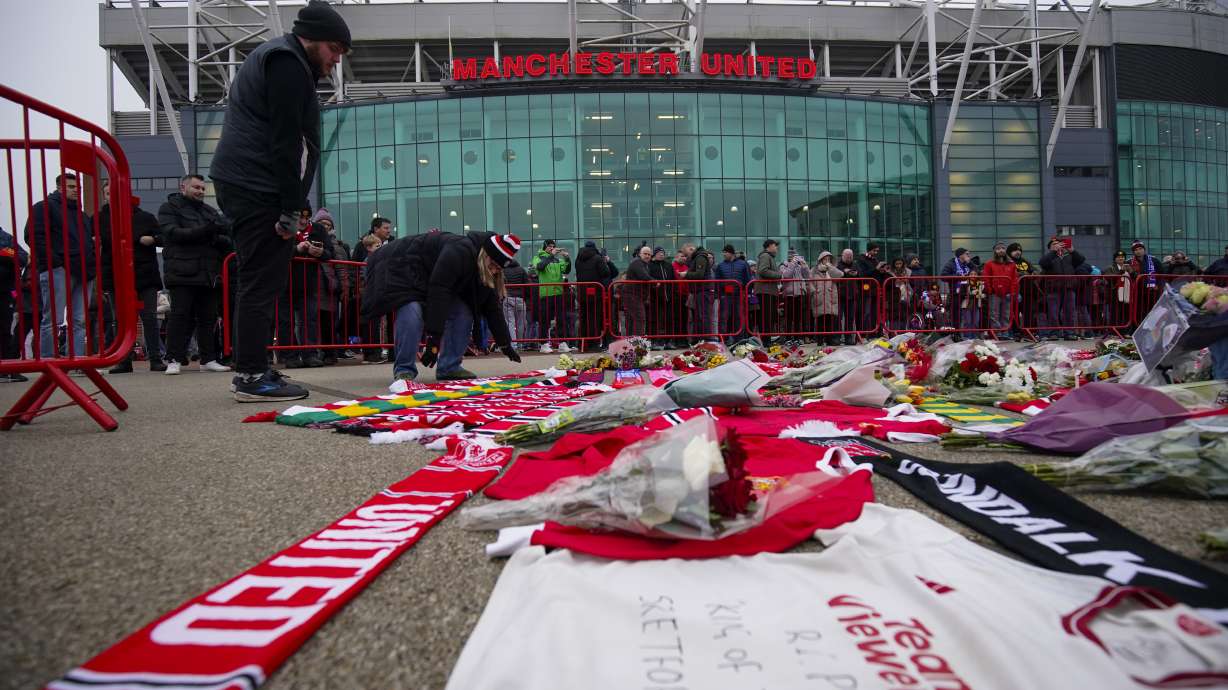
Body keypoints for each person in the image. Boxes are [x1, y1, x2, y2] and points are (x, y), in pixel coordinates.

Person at [210, 0, 350, 401]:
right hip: (257, 185)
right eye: (333, 50)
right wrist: (291, 207)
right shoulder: (287, 63)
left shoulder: (281, 58)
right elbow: (286, 139)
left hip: (251, 182)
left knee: (261, 280)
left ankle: (255, 367)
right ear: (312, 39)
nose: (335, 62)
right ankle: (252, 376)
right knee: (260, 281)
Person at [362, 231, 522, 383]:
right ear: (485, 255)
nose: (493, 270)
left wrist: (505, 344)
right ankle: (404, 369)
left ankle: (449, 367)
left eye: (498, 269)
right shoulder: (459, 251)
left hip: (433, 278)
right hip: (406, 268)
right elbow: (439, 292)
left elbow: (492, 308)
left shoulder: (486, 270)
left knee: (464, 312)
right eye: (493, 265)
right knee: (411, 312)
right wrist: (433, 340)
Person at [158, 174, 233, 375]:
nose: (200, 191)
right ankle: (173, 358)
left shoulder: (210, 211)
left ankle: (208, 358)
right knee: (179, 316)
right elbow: (173, 233)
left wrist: (212, 236)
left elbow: (227, 239)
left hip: (209, 273)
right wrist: (206, 233)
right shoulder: (169, 208)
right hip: (182, 272)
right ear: (183, 187)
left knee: (208, 317)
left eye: (202, 188)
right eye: (196, 187)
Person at [27, 174, 98, 361]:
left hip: (83, 270)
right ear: (59, 187)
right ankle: (50, 360)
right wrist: (54, 262)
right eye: (71, 186)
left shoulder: (81, 215)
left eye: (78, 187)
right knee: (53, 319)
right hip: (59, 268)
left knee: (79, 320)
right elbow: (33, 235)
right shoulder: (44, 207)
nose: (76, 190)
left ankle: (76, 360)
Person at [106, 193, 166, 373]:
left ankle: (155, 358)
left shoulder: (145, 218)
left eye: (113, 192)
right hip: (117, 276)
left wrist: (153, 239)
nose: (111, 197)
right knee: (121, 320)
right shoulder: (102, 219)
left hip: (144, 275)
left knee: (149, 317)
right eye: (108, 193)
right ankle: (124, 360)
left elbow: (163, 237)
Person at [276, 209, 334, 368]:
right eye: (300, 217)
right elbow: (275, 252)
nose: (303, 221)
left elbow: (330, 253)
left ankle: (310, 354)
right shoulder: (283, 227)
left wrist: (321, 252)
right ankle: (289, 356)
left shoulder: (318, 229)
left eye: (306, 218)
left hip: (309, 284)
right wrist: (297, 249)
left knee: (310, 320)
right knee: (285, 321)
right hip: (284, 283)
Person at [314, 209, 352, 364]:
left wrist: (344, 289)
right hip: (313, 288)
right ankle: (317, 352)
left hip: (329, 289)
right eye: (322, 223)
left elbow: (342, 270)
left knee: (329, 323)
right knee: (312, 323)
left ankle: (330, 353)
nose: (325, 226)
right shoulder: (308, 240)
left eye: (328, 224)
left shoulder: (336, 246)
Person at [353, 217, 393, 363]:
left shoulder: (392, 244)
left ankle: (383, 351)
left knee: (382, 322)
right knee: (371, 322)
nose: (389, 230)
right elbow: (358, 271)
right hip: (371, 292)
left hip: (384, 291)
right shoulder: (366, 256)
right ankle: (371, 353)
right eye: (385, 228)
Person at [1039, 237, 1086, 341]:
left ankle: (1069, 333)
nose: (1058, 245)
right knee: (1053, 313)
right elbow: (1042, 263)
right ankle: (1053, 333)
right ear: (1050, 247)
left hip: (1069, 288)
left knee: (1069, 312)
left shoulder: (1069, 256)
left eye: (1059, 244)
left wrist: (1072, 251)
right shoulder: (1049, 257)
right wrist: (1053, 252)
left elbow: (1082, 260)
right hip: (1053, 289)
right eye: (1054, 244)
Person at [574, 240, 617, 349]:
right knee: (595, 319)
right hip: (596, 293)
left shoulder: (578, 259)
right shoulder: (597, 258)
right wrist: (605, 262)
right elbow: (606, 273)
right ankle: (594, 343)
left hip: (582, 293)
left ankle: (583, 344)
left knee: (584, 319)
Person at [1, 224, 30, 381]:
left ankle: (7, 367)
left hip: (5, 291)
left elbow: (22, 257)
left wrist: (5, 254)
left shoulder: (6, 238)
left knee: (6, 330)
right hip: (13, 295)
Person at [532, 239, 572, 353]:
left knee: (561, 319)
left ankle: (562, 343)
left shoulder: (557, 260)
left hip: (558, 293)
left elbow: (567, 270)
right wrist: (551, 256)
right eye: (549, 246)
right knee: (544, 320)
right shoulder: (538, 258)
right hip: (545, 294)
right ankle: (544, 344)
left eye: (553, 246)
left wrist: (567, 258)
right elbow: (539, 267)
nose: (552, 248)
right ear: (544, 247)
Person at [714, 244, 752, 341]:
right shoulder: (720, 265)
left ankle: (738, 339)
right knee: (724, 317)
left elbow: (748, 279)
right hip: (725, 295)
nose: (724, 254)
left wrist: (747, 293)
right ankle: (723, 339)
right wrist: (718, 294)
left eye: (725, 252)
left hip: (739, 295)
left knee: (738, 317)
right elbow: (717, 281)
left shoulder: (743, 264)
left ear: (731, 253)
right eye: (723, 252)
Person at [681, 243, 715, 344]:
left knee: (704, 316)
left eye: (686, 254)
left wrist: (686, 274)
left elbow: (699, 274)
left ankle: (706, 340)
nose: (687, 257)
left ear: (691, 249)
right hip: (700, 291)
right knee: (700, 316)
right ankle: (702, 339)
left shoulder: (700, 257)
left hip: (703, 291)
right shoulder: (698, 257)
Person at [981, 241, 1016, 338]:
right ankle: (997, 333)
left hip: (1007, 293)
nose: (1001, 250)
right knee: (994, 314)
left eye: (1003, 248)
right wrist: (990, 290)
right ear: (995, 251)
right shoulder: (989, 264)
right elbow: (986, 278)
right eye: (998, 249)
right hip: (994, 294)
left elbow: (1014, 279)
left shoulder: (1011, 264)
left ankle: (1005, 332)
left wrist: (1012, 291)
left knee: (1006, 314)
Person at [940, 247, 975, 341]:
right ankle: (956, 334)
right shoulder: (951, 263)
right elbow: (943, 275)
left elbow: (977, 272)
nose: (969, 256)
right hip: (956, 293)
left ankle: (969, 335)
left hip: (969, 293)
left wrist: (970, 264)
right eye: (967, 254)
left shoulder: (969, 264)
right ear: (961, 255)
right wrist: (958, 277)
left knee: (969, 316)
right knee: (956, 315)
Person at [809, 251, 843, 345]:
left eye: (829, 259)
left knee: (830, 320)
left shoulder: (832, 270)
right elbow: (809, 282)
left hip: (830, 298)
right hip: (819, 297)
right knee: (820, 320)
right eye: (825, 259)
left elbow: (840, 275)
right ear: (821, 259)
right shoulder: (814, 270)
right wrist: (814, 291)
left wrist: (830, 267)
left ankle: (830, 340)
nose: (827, 261)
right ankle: (819, 340)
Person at [754, 240, 783, 343]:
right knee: (766, 317)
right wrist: (779, 275)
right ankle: (765, 340)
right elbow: (763, 270)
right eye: (775, 246)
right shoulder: (766, 256)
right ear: (769, 246)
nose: (776, 248)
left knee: (768, 317)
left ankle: (767, 339)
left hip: (768, 291)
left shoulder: (768, 257)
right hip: (765, 291)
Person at [780, 249, 811, 337]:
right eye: (794, 256)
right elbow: (786, 276)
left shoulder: (799, 266)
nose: (795, 258)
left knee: (798, 317)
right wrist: (792, 264)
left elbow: (807, 276)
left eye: (797, 256)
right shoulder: (784, 265)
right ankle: (788, 337)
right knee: (789, 317)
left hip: (800, 294)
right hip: (789, 295)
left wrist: (804, 266)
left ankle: (797, 337)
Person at [623, 245, 653, 337]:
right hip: (632, 295)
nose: (647, 256)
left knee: (634, 319)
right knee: (640, 318)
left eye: (649, 254)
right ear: (640, 254)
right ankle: (637, 343)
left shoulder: (643, 264)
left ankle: (633, 343)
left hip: (635, 295)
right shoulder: (637, 263)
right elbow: (643, 276)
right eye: (645, 254)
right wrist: (655, 282)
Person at [646, 247, 674, 341]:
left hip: (669, 297)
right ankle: (653, 341)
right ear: (654, 254)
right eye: (659, 253)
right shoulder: (650, 265)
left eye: (663, 253)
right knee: (654, 319)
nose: (661, 254)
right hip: (655, 297)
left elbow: (673, 279)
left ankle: (668, 341)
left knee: (669, 319)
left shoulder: (668, 265)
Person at [501, 259, 529, 348]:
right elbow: (527, 285)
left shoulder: (504, 271)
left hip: (508, 298)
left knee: (510, 323)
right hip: (520, 299)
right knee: (521, 323)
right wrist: (526, 298)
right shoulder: (521, 270)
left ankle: (513, 344)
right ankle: (520, 343)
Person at [884, 257, 912, 333]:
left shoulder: (908, 272)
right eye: (896, 264)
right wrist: (895, 281)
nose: (898, 265)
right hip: (893, 296)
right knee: (894, 314)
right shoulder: (889, 273)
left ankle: (903, 331)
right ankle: (893, 332)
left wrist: (905, 281)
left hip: (906, 295)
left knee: (904, 313)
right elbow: (887, 284)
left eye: (900, 263)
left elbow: (912, 284)